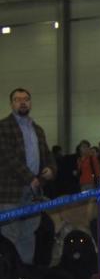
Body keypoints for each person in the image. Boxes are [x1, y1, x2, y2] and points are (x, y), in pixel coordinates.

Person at [0, 88, 56, 264]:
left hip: (34, 193)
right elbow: (8, 157)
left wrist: (51, 170)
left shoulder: (37, 129)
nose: (23, 102)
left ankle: (25, 278)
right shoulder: (3, 127)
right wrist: (31, 178)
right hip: (11, 192)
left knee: (28, 236)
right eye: (18, 99)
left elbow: (47, 155)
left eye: (26, 99)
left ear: (30, 103)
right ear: (11, 104)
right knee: (10, 236)